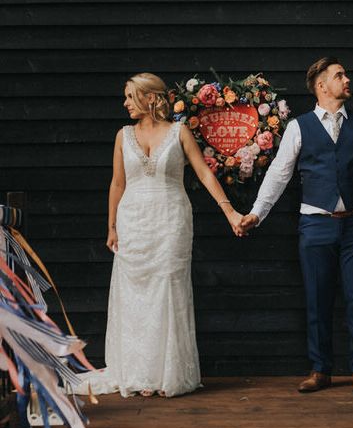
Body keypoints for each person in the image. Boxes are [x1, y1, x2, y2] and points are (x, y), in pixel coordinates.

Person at [78, 73, 245, 398]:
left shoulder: (178, 132)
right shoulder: (122, 135)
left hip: (170, 218)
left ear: (151, 98)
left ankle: (166, 374)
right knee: (135, 294)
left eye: (130, 96)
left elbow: (203, 172)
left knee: (167, 285)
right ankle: (140, 373)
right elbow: (118, 183)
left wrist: (229, 211)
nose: (125, 103)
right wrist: (111, 226)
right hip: (133, 221)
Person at [239, 58, 353, 394]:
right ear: (322, 85)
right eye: (340, 75)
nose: (347, 78)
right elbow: (279, 174)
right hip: (315, 224)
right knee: (317, 297)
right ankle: (320, 369)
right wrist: (257, 213)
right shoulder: (299, 127)